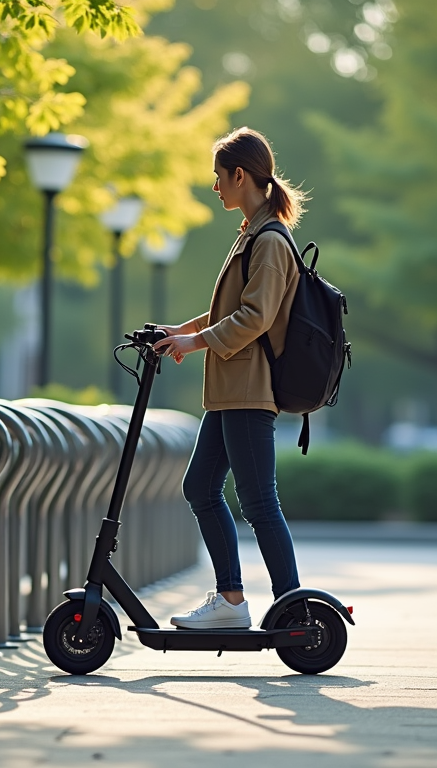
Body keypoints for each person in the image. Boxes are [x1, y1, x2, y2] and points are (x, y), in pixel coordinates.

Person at [152, 126, 307, 629]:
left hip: (246, 390)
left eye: (218, 178)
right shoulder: (251, 233)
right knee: (201, 487)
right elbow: (228, 309)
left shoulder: (270, 240)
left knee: (260, 501)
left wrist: (194, 343)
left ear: (240, 176)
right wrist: (183, 330)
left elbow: (255, 317)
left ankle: (292, 610)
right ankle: (232, 600)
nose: (215, 186)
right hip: (228, 392)